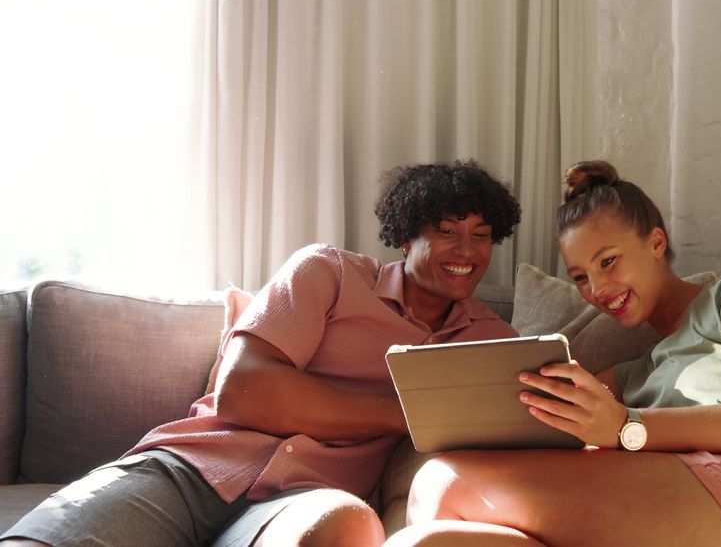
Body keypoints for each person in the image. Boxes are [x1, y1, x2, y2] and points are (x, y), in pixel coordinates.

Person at [1, 160, 522, 547]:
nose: (467, 251)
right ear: (407, 238)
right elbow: (244, 392)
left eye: (481, 236)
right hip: (195, 469)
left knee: (346, 529)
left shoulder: (493, 339)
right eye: (447, 231)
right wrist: (413, 414)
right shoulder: (329, 273)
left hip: (308, 496)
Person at [386, 160, 721, 546]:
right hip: (692, 506)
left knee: (441, 482)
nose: (598, 289)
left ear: (656, 242)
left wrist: (627, 427)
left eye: (608, 261)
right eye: (581, 277)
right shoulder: (636, 373)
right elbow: (551, 417)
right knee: (427, 540)